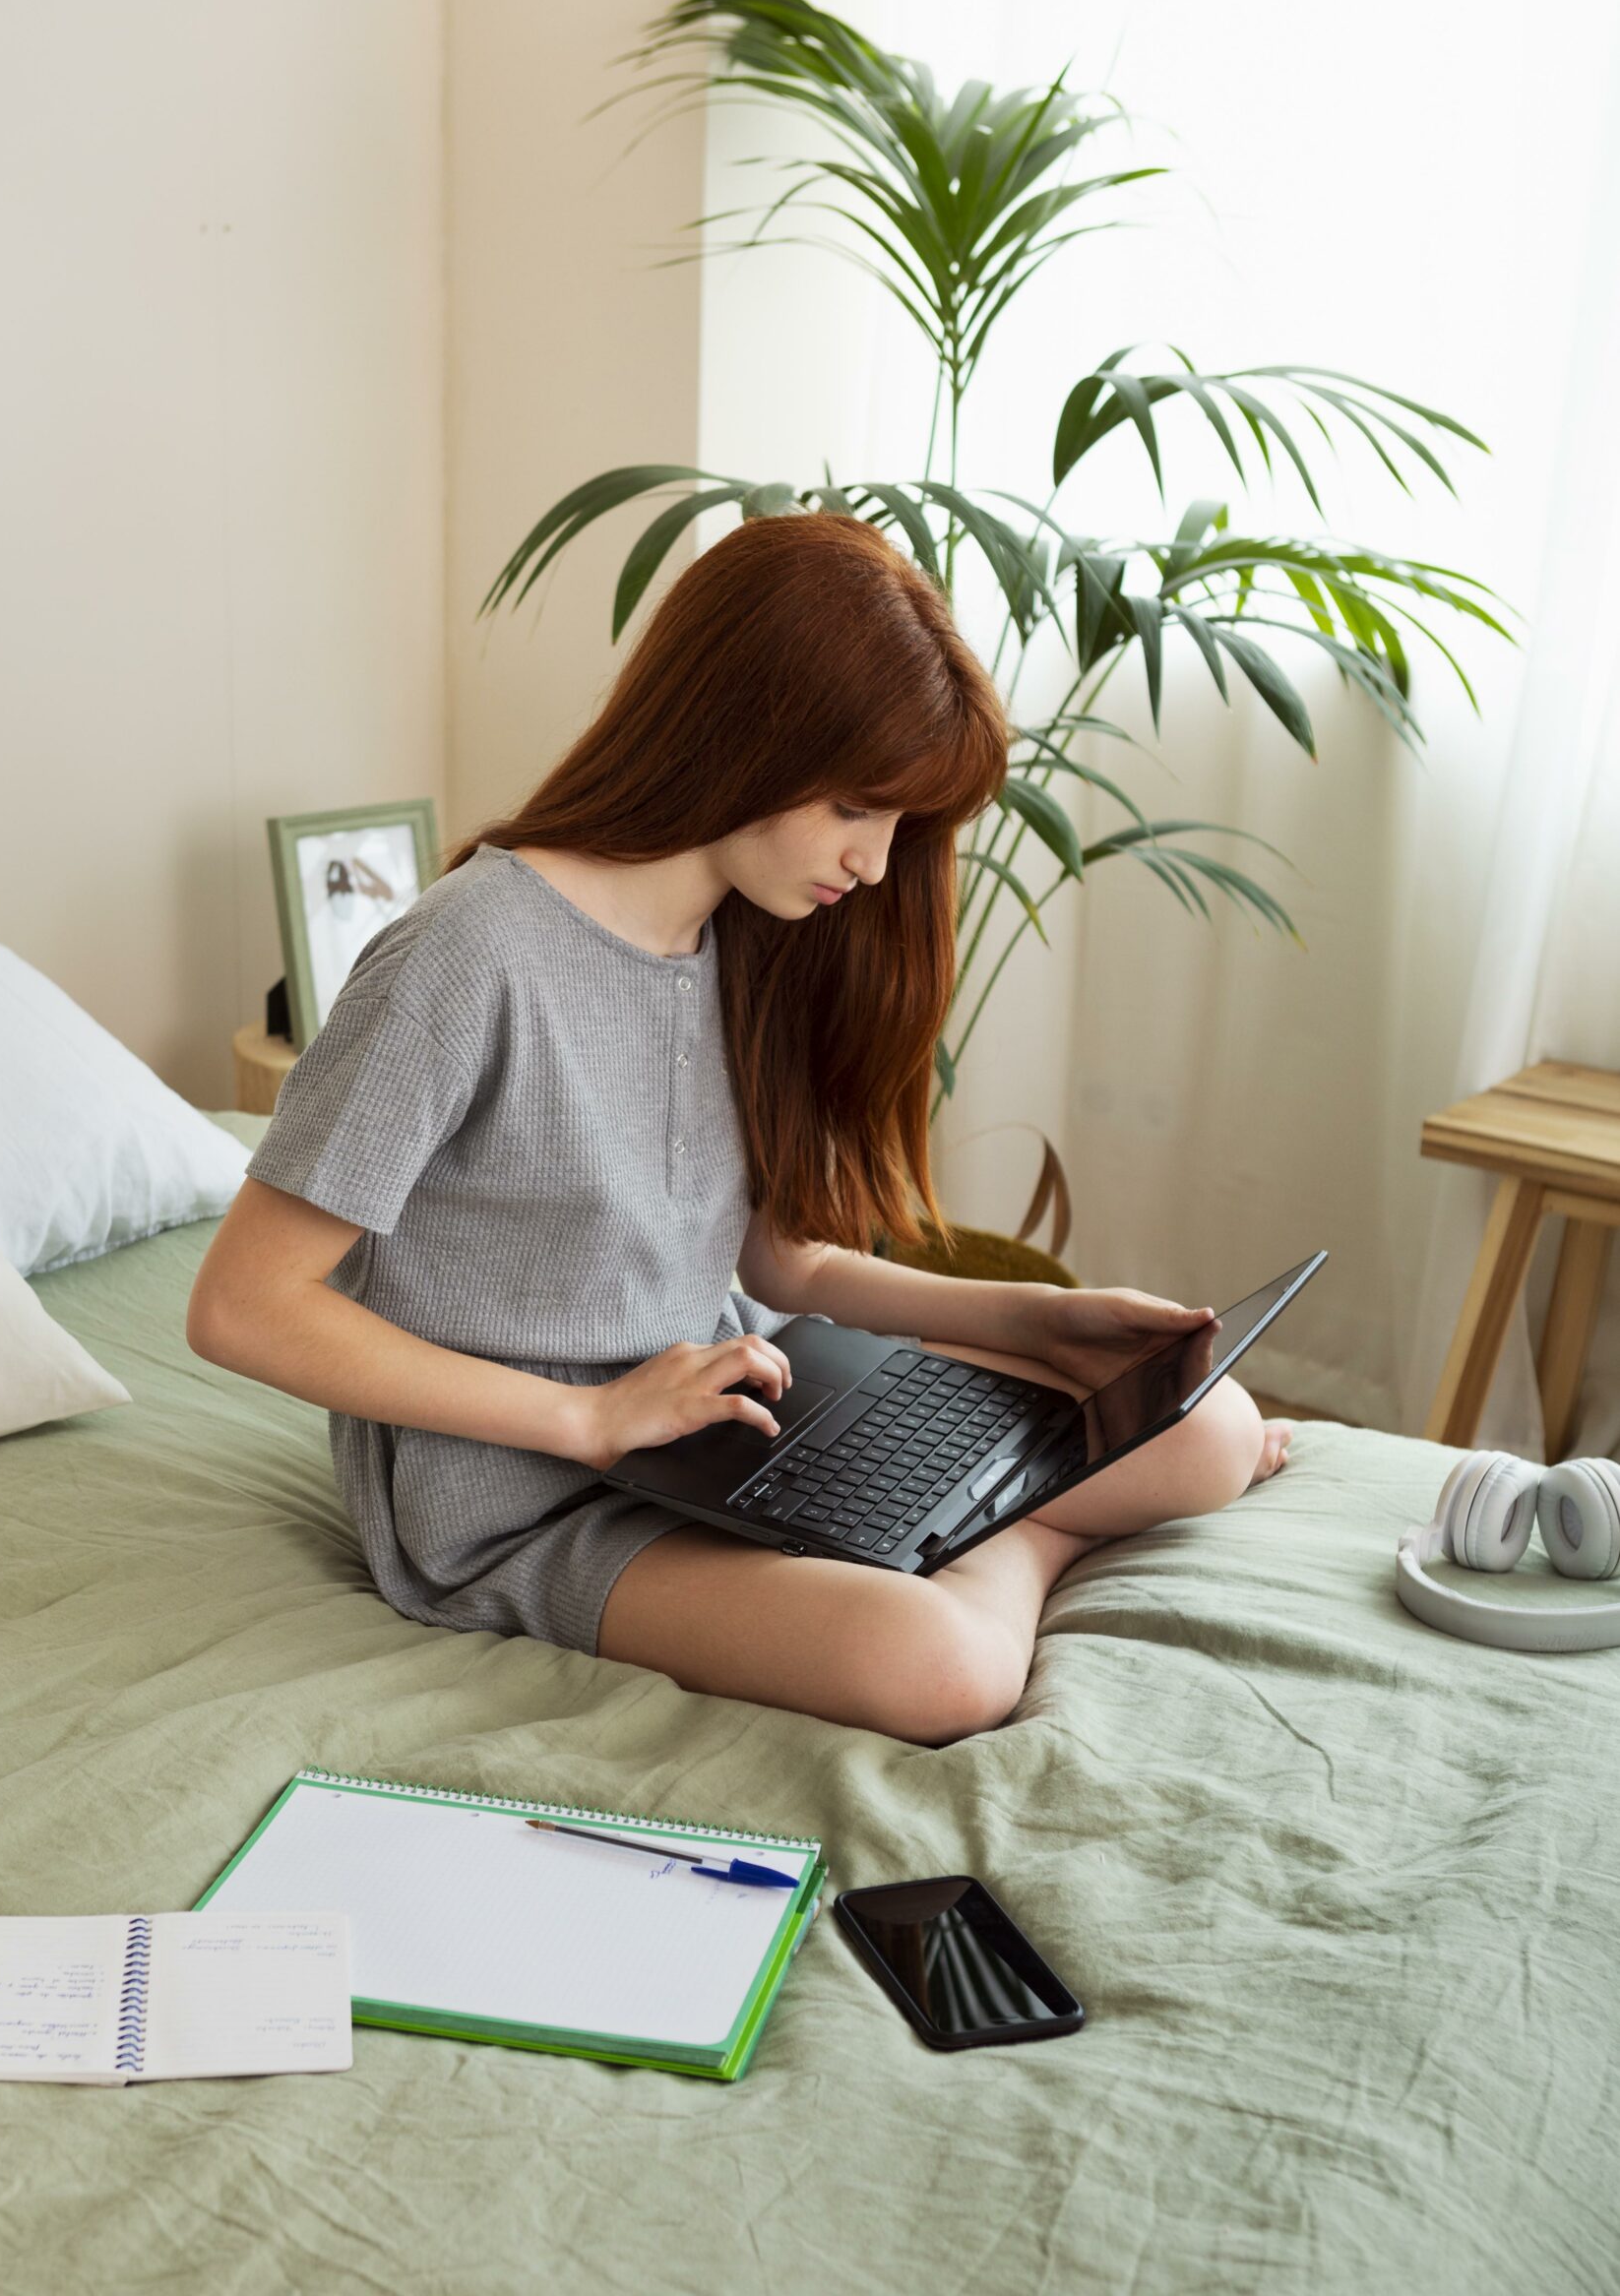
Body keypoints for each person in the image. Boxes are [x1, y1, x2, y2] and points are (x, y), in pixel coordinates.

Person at [188, 513, 1291, 1744]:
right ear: (742, 729)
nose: (874, 866)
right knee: (941, 1672)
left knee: (1211, 1432)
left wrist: (1041, 1318)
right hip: (538, 1489)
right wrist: (590, 1418)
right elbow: (242, 1305)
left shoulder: (749, 936)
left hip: (735, 1413)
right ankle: (1018, 1534)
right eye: (856, 810)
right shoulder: (461, 957)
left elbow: (780, 1267)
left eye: (901, 828)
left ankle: (966, 1518)